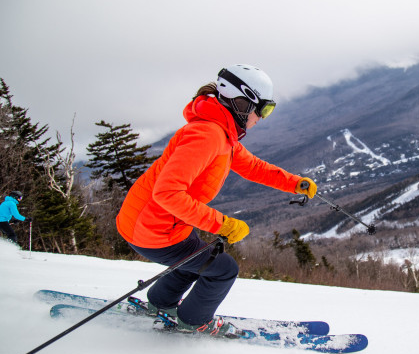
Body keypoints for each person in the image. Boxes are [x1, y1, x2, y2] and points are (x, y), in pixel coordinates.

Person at [116, 64, 317, 336]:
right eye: (263, 109)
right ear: (242, 102)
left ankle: (160, 304)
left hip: (156, 224)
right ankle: (193, 320)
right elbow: (167, 193)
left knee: (200, 257)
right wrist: (222, 224)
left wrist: (293, 183)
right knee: (223, 269)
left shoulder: (222, 132)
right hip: (152, 229)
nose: (262, 117)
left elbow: (252, 167)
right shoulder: (208, 135)